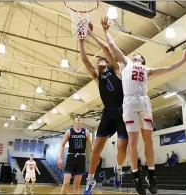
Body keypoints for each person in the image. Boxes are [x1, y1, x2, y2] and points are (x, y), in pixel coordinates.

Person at [101, 16, 186, 195]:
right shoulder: (125, 63)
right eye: (134, 55)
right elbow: (112, 47)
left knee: (148, 140)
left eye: (138, 56)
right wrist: (105, 31)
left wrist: (183, 60)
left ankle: (152, 176)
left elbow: (168, 69)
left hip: (143, 101)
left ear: (142, 61)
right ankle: (137, 179)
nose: (135, 56)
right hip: (128, 102)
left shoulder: (147, 70)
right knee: (133, 142)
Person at [79, 24, 128, 195]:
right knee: (96, 148)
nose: (99, 62)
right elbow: (85, 61)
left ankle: (119, 168)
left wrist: (91, 34)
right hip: (108, 113)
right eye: (97, 61)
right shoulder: (96, 77)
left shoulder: (116, 70)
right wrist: (81, 41)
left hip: (123, 111)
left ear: (107, 63)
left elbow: (107, 48)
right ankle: (90, 179)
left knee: (122, 148)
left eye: (102, 60)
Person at [58, 114, 93, 194]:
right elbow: (62, 145)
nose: (78, 118)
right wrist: (59, 158)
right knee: (66, 182)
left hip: (81, 158)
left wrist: (94, 157)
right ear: (74, 121)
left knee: (77, 185)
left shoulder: (86, 132)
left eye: (80, 117)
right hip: (71, 157)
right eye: (76, 117)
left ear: (82, 121)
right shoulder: (69, 132)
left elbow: (91, 146)